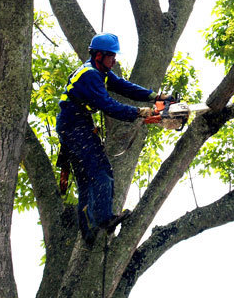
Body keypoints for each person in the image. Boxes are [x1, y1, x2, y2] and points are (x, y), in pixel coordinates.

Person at [56, 33, 170, 244]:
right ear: (99, 55)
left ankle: (88, 234)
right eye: (111, 56)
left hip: (74, 127)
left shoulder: (102, 72)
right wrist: (139, 112)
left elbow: (125, 87)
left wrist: (155, 97)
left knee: (86, 180)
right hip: (75, 128)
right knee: (101, 172)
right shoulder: (90, 75)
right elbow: (108, 105)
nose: (114, 60)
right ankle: (104, 219)